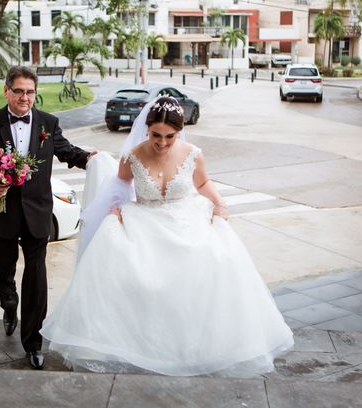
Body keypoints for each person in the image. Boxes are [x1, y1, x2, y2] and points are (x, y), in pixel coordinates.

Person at [40, 96, 294, 377]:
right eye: (155, 136)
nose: (161, 143)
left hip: (186, 218)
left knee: (211, 262)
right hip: (144, 219)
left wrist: (220, 203)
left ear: (180, 131)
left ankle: (196, 345)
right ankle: (138, 344)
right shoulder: (132, 156)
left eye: (169, 137)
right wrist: (115, 208)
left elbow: (203, 182)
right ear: (146, 130)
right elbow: (121, 183)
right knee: (125, 266)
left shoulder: (193, 154)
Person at [0, 65, 93, 370]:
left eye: (30, 92)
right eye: (19, 91)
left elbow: (65, 151)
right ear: (6, 91)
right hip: (1, 213)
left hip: (37, 213)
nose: (25, 98)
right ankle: (9, 304)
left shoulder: (48, 123)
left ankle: (33, 342)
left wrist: (91, 159)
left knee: (36, 278)